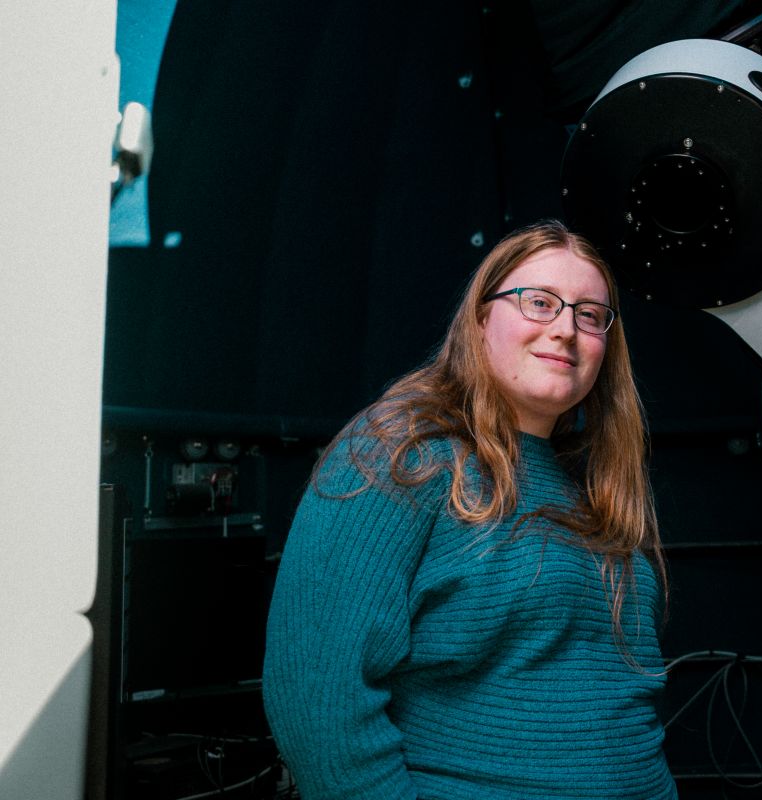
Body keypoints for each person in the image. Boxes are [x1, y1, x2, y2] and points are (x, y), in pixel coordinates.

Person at [262, 220, 676, 799]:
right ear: (481, 319)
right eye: (539, 303)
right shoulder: (399, 455)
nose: (565, 330)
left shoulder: (593, 482)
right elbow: (318, 699)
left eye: (589, 315)